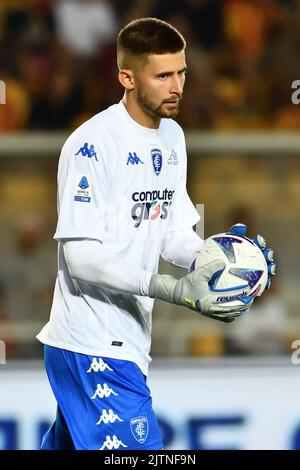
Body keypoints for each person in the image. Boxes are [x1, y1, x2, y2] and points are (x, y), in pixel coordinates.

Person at [37, 17, 275, 451]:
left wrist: (225, 258)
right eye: (163, 75)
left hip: (126, 343)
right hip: (93, 343)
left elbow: (173, 234)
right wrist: (171, 288)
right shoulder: (93, 144)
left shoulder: (172, 136)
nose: (177, 86)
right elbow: (81, 258)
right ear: (126, 77)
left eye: (181, 72)